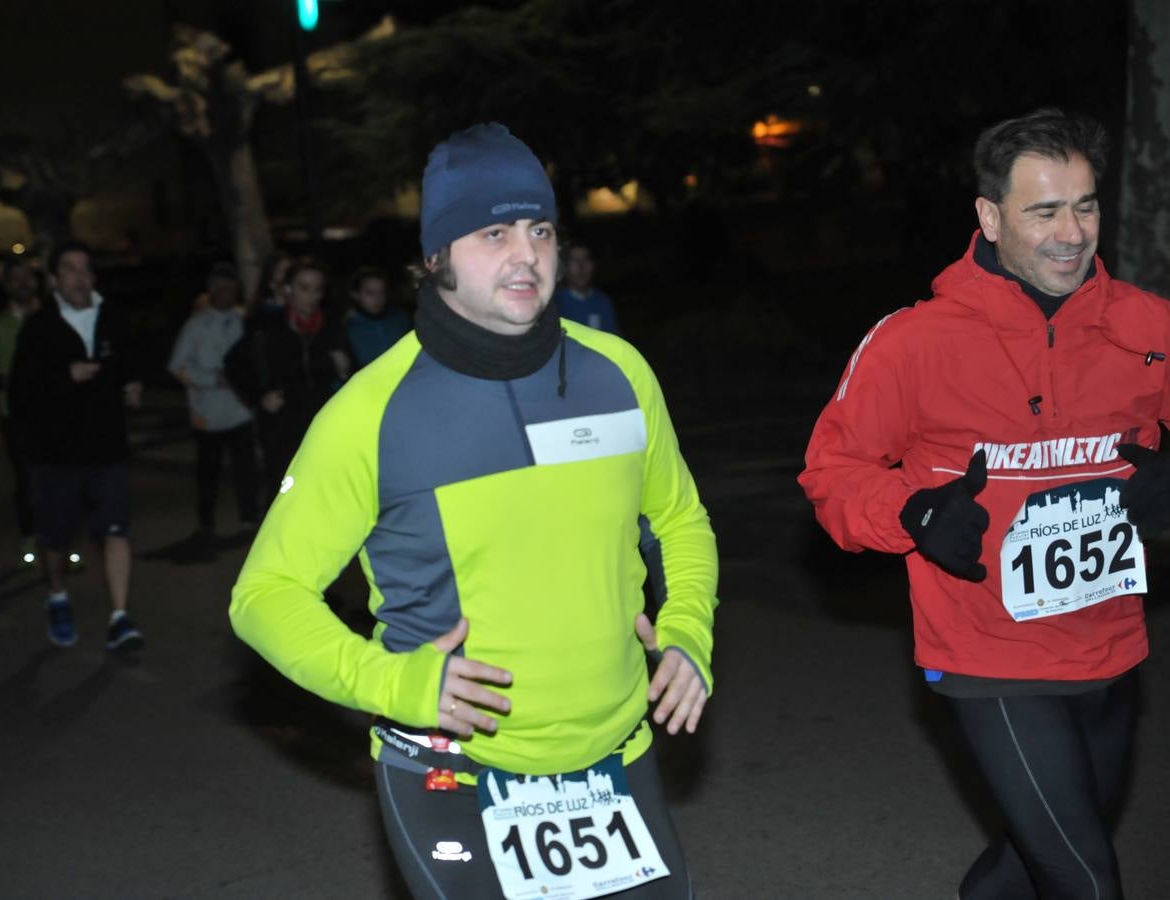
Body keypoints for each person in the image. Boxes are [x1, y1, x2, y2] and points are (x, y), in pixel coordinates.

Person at [230, 123, 717, 899]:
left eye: (541, 230)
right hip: (448, 767)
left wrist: (689, 633)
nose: (526, 254)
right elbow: (265, 597)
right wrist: (393, 685)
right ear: (435, 258)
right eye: (493, 232)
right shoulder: (369, 414)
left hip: (617, 757)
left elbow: (680, 521)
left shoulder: (620, 373)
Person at [800, 108, 1170, 899]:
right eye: (1044, 211)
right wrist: (915, 513)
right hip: (987, 653)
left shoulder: (1147, 326)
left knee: (1029, 865)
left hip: (1110, 644)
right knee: (1087, 881)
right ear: (989, 216)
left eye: (1087, 205)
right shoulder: (914, 342)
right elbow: (831, 474)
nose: (1072, 232)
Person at [9, 240, 144, 651]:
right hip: (56, 455)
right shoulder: (38, 328)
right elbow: (19, 393)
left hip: (109, 449)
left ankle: (120, 617)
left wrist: (134, 382)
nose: (80, 278)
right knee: (55, 537)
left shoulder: (114, 318)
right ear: (53, 280)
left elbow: (133, 358)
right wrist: (64, 375)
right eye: (70, 270)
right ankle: (57, 596)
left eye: (86, 269)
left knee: (117, 530)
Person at [224, 259, 350, 490]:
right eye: (304, 287)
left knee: (323, 487)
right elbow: (234, 365)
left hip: (322, 420)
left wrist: (344, 369)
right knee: (284, 489)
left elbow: (350, 372)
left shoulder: (332, 326)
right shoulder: (267, 327)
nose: (311, 296)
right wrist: (259, 397)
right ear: (288, 289)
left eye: (317, 289)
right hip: (281, 424)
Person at [168, 261, 258, 540]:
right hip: (207, 414)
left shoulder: (244, 321)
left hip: (241, 410)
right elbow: (177, 366)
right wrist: (209, 380)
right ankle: (205, 522)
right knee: (209, 472)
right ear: (211, 291)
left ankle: (249, 518)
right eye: (220, 289)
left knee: (246, 469)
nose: (225, 295)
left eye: (231, 289)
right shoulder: (196, 325)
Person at [0, 261, 42, 567]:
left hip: (55, 412)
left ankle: (62, 540)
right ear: (7, 287)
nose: (22, 284)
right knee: (26, 477)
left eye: (26, 278)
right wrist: (5, 379)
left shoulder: (53, 318)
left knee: (61, 477)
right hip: (14, 413)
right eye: (15, 280)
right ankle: (28, 537)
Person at [343, 266, 411, 368]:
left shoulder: (400, 319)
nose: (378, 298)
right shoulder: (347, 327)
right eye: (370, 293)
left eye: (381, 292)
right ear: (356, 295)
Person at [553, 242, 618, 334]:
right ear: (565, 267)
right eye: (574, 260)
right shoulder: (555, 303)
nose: (581, 266)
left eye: (585, 259)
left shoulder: (602, 301)